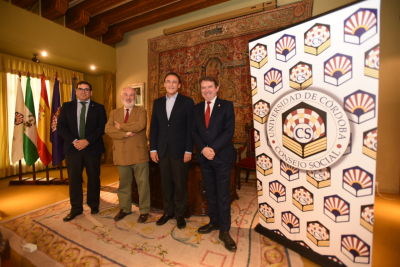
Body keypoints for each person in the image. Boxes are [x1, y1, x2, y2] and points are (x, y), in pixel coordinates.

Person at [191, 76, 237, 252]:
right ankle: (214, 222)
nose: (206, 90)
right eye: (203, 88)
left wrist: (212, 149)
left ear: (217, 88)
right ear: (200, 90)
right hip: (204, 158)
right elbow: (194, 131)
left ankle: (225, 231)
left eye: (210, 87)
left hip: (222, 157)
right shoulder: (196, 109)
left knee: (223, 195)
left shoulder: (226, 106)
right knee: (210, 193)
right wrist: (203, 149)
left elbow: (229, 131)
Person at [57, 81, 107, 222]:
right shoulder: (67, 106)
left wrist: (87, 141)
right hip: (73, 149)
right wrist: (75, 141)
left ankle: (93, 204)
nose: (83, 92)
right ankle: (76, 208)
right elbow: (61, 127)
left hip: (93, 148)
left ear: (91, 92)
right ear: (76, 91)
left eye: (86, 90)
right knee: (74, 179)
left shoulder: (99, 107)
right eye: (80, 89)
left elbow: (102, 127)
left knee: (93, 178)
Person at [149, 72, 194, 229]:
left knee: (180, 183)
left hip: (180, 151)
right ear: (164, 84)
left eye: (174, 82)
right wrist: (152, 149)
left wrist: (189, 150)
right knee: (165, 183)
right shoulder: (157, 103)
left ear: (179, 85)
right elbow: (154, 127)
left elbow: (190, 128)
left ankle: (180, 214)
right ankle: (168, 212)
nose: (171, 84)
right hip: (162, 150)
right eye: (168, 81)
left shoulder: (187, 102)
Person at [105, 87, 150, 223]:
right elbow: (108, 129)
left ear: (135, 97)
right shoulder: (114, 112)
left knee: (142, 183)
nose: (129, 97)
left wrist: (121, 127)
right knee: (124, 183)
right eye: (126, 94)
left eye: (132, 95)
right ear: (121, 97)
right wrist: (125, 134)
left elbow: (140, 125)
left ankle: (144, 210)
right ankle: (125, 208)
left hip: (138, 153)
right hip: (121, 153)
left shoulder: (142, 110)